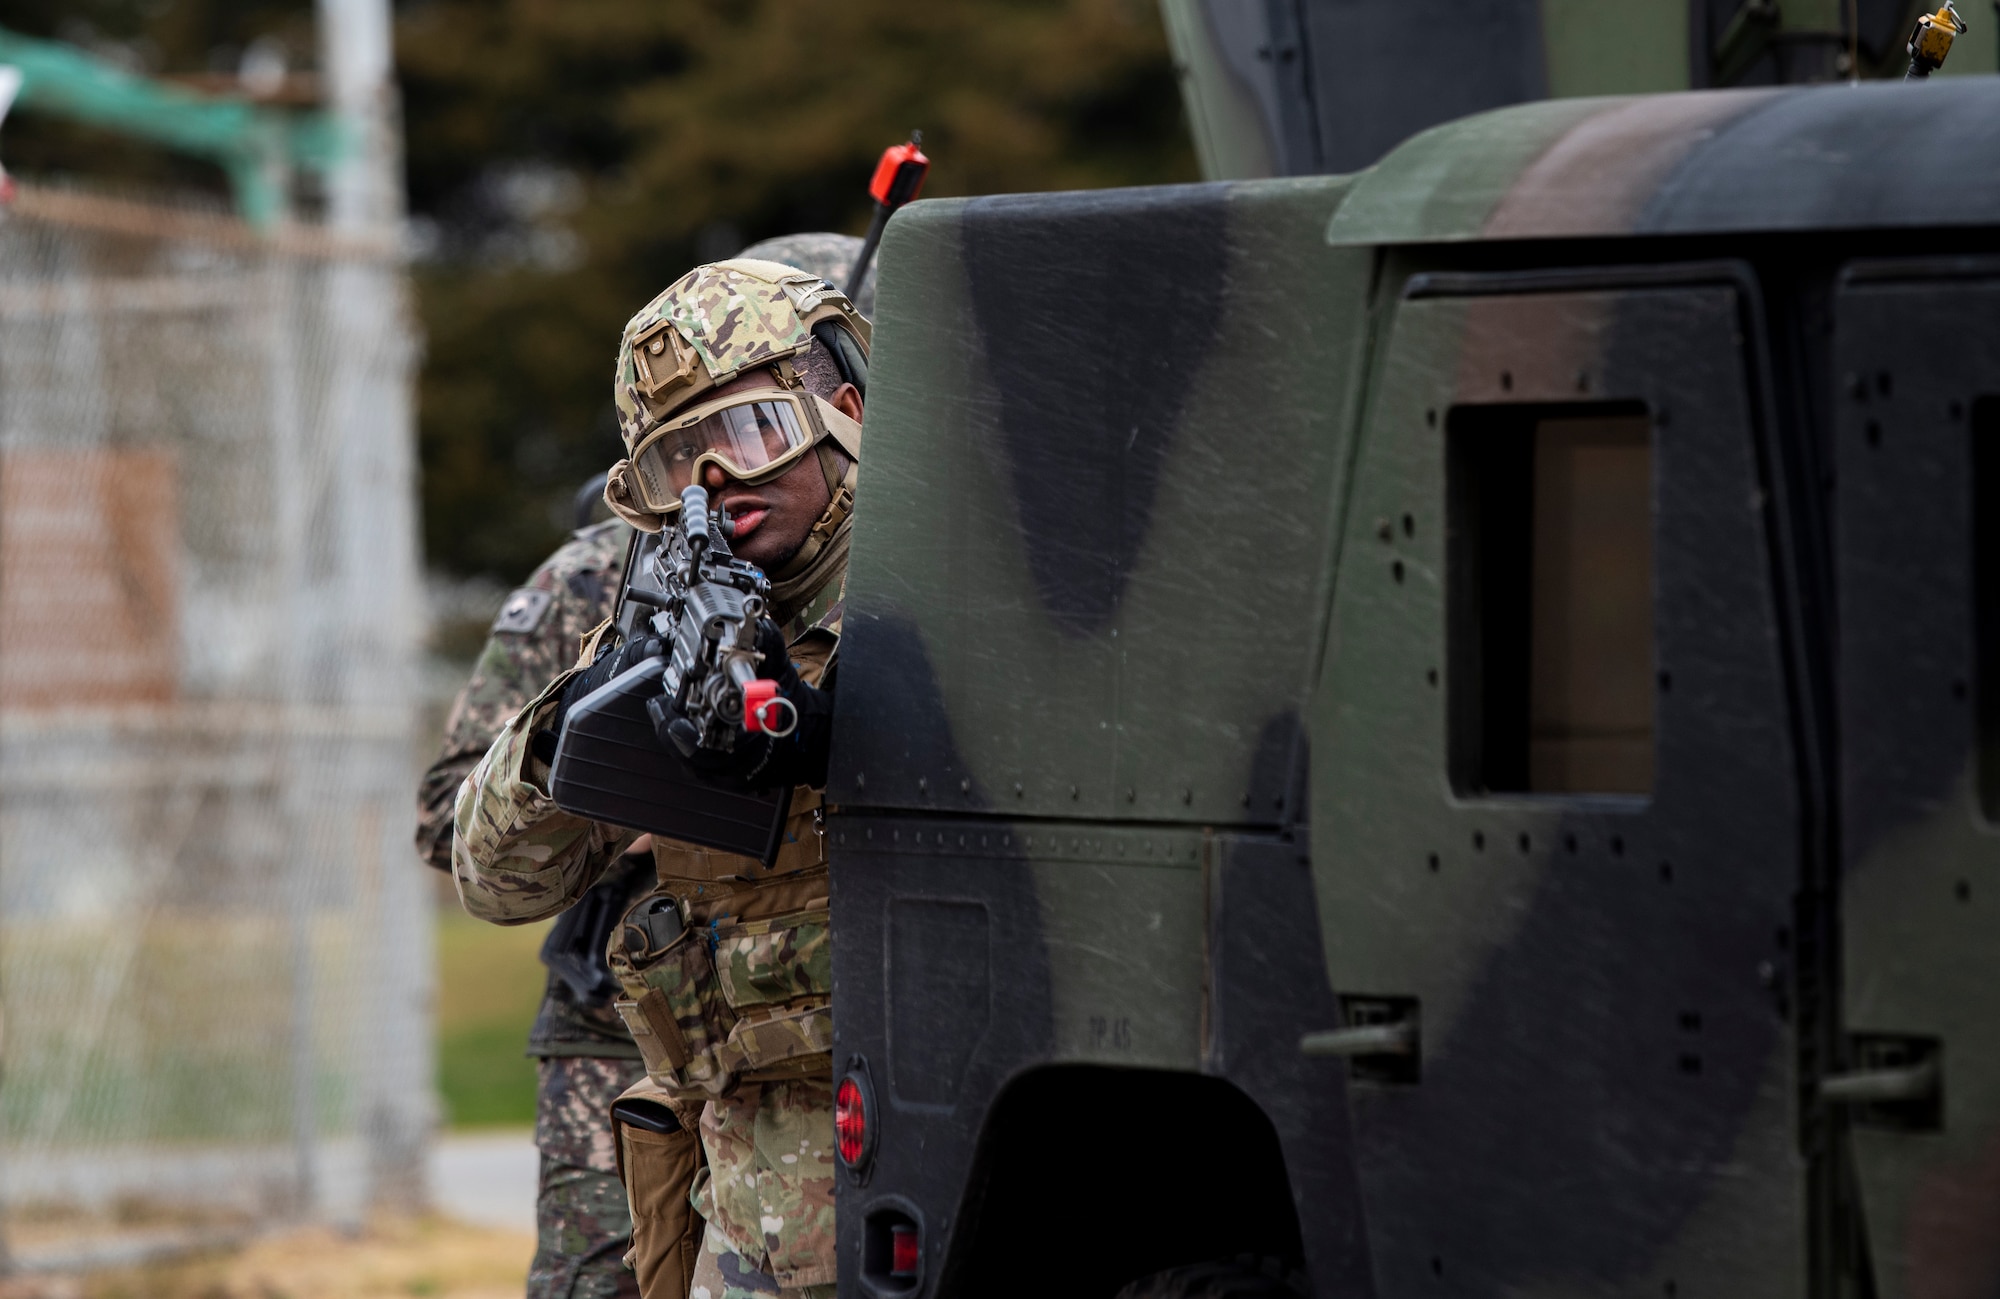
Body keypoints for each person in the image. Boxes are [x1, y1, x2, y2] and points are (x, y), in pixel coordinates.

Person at [419, 237, 867, 1299]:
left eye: (753, 434)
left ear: (845, 405)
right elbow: (496, 878)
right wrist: (598, 707)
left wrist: (821, 725)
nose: (718, 485)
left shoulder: (950, 572)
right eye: (677, 464)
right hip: (753, 1208)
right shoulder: (656, 615)